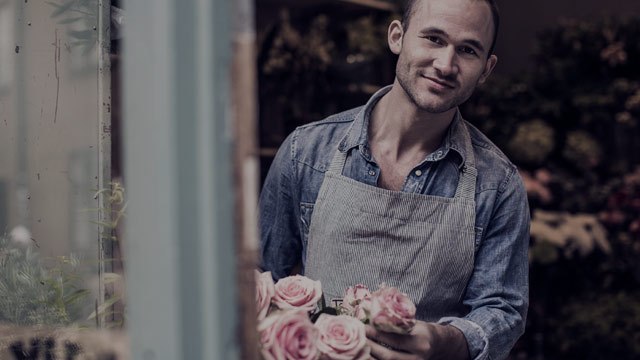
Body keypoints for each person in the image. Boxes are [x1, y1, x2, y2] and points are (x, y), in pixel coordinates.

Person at [259, 0, 530, 358]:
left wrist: (441, 343)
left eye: (467, 50)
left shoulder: (499, 185)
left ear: (486, 68)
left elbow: (503, 311)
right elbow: (260, 280)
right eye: (433, 38)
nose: (446, 64)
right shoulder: (305, 153)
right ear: (397, 36)